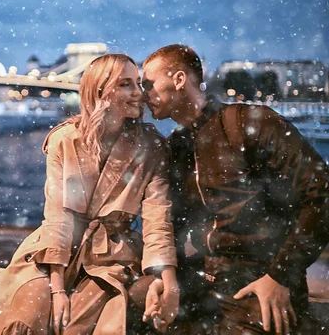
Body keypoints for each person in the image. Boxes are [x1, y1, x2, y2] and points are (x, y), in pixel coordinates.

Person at [0, 53, 179, 335]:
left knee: (74, 327)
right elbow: (58, 217)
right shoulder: (65, 140)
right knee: (23, 323)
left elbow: (158, 219)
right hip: (51, 255)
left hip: (110, 257)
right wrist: (57, 290)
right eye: (126, 85)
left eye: (138, 84)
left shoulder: (150, 146)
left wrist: (167, 279)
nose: (138, 94)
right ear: (100, 91)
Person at [141, 44, 329, 334]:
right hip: (203, 280)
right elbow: (177, 222)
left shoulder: (250, 123)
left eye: (148, 84)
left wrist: (280, 276)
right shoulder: (176, 146)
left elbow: (321, 192)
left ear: (179, 80)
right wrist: (165, 277)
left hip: (257, 280)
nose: (144, 94)